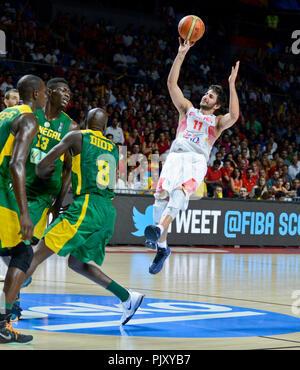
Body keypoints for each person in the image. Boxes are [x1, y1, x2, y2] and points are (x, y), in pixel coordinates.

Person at [23, 108, 144, 325]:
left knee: (35, 255)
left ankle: (5, 309)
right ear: (105, 126)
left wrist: (41, 171)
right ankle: (127, 297)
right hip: (106, 210)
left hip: (87, 206)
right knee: (77, 264)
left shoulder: (77, 136)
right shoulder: (114, 148)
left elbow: (45, 163)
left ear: (85, 120)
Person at [143, 38, 240, 274]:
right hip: (175, 156)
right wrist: (181, 53)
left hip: (196, 161)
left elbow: (235, 116)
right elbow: (171, 83)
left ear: (217, 105)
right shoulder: (187, 109)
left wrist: (231, 84)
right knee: (160, 198)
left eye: (211, 97)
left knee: (179, 194)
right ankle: (162, 247)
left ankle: (158, 230)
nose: (206, 97)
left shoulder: (217, 122)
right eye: (206, 94)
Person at [10, 78, 79, 321]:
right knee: (16, 248)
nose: (68, 95)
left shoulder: (70, 127)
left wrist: (59, 202)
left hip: (42, 197)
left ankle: (12, 300)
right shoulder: (31, 115)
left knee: (24, 248)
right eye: (63, 90)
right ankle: (13, 291)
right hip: (17, 188)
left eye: (70, 92)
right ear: (48, 92)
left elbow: (68, 170)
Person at [0, 74, 46, 344]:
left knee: (18, 251)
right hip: (3, 192)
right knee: (23, 251)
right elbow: (16, 164)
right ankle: (2, 324)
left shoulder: (5, 114)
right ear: (38, 94)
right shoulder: (29, 119)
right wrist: (25, 212)